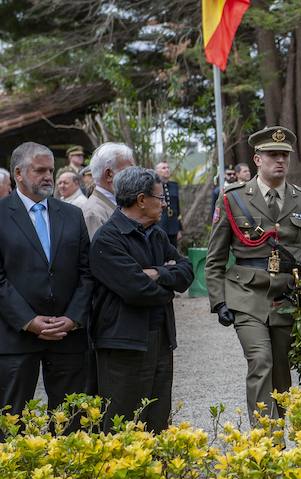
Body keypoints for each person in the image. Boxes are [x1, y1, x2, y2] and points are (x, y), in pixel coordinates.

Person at [206, 126, 301, 421]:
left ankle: (277, 434)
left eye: (284, 155)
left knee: (282, 370)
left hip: (286, 296)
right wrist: (219, 300)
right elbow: (215, 256)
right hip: (246, 294)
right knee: (261, 360)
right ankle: (264, 440)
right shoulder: (233, 198)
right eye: (272, 155)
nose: (280, 160)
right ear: (257, 159)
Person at [90, 167, 193, 433]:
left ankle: (158, 472)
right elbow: (136, 290)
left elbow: (187, 271)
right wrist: (168, 283)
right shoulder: (108, 239)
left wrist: (157, 273)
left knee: (158, 415)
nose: (164, 204)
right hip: (123, 343)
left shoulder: (157, 233)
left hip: (160, 336)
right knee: (123, 420)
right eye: (160, 198)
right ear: (141, 200)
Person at [0, 142, 92, 422]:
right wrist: (29, 320)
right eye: (40, 170)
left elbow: (87, 272)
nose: (48, 176)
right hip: (16, 336)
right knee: (12, 423)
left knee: (70, 422)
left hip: (67, 336)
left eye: (50, 170)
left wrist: (73, 318)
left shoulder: (72, 215)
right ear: (18, 173)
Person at [81, 142, 135, 239]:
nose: (134, 176)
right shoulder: (93, 213)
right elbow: (100, 253)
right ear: (109, 174)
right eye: (128, 171)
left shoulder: (117, 203)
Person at [155, 161, 182, 247]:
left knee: (173, 253)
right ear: (157, 171)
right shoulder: (154, 186)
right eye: (163, 168)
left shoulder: (174, 185)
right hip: (160, 225)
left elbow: (177, 208)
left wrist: (179, 228)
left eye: (168, 167)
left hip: (173, 226)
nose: (167, 170)